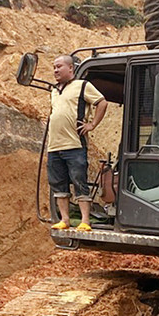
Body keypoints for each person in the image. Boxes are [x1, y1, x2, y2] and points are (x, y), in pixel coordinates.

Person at [48, 54, 108, 230]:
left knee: (79, 182)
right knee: (58, 184)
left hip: (74, 145)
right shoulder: (54, 90)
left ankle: (85, 221)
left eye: (59, 66)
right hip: (54, 147)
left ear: (71, 68)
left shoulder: (82, 86)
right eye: (54, 67)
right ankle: (64, 220)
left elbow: (102, 103)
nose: (55, 70)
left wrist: (92, 124)